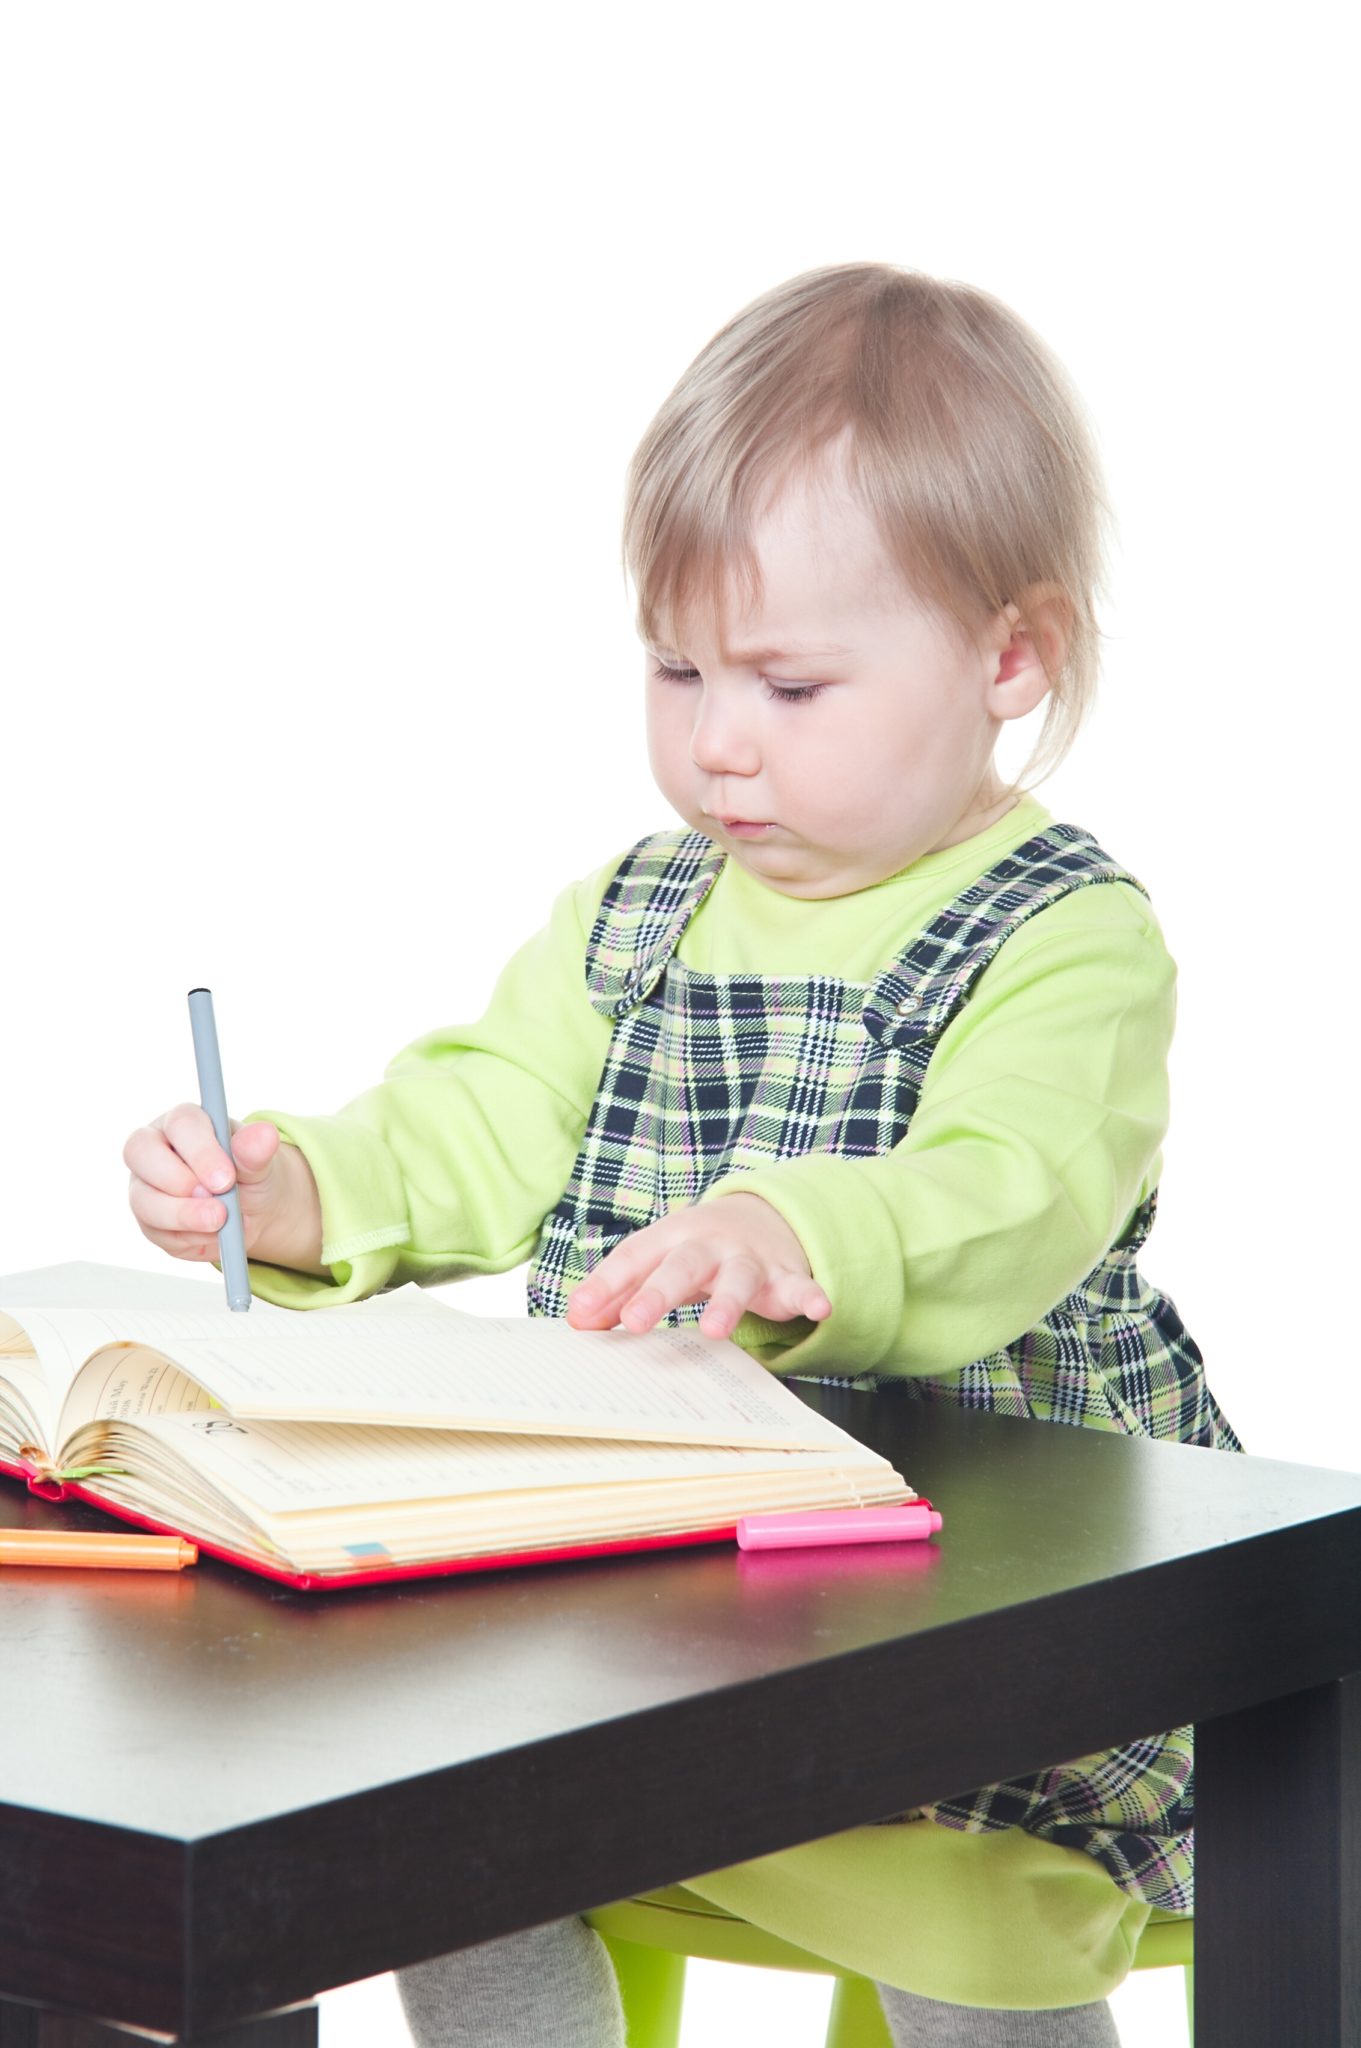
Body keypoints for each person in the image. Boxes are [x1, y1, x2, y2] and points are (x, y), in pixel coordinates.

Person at [124, 263, 1240, 2047]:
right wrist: (300, 1189)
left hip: (977, 1627)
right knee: (433, 1851)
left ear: (1006, 657)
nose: (715, 740)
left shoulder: (1062, 935)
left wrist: (788, 1227)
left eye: (791, 685)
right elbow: (478, 1113)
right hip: (659, 1606)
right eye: (676, 667)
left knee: (958, 1925)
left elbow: (1009, 1192)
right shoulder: (640, 916)